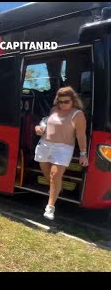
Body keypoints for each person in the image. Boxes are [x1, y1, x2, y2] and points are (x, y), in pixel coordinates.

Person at [34, 86, 88, 220]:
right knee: (47, 172)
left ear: (73, 101)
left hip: (63, 148)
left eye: (66, 101)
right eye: (60, 101)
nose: (63, 104)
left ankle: (50, 207)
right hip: (45, 144)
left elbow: (81, 136)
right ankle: (57, 189)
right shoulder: (54, 110)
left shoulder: (77, 114)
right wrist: (39, 128)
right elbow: (46, 124)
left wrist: (83, 153)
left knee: (54, 175)